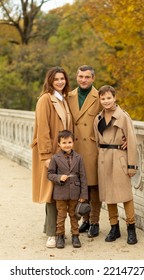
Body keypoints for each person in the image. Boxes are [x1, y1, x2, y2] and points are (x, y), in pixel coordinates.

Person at [67, 65, 127, 238]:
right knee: (80, 185)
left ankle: (94, 222)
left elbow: (115, 111)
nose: (83, 80)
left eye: (87, 77)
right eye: (80, 76)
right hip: (74, 147)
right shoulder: (69, 95)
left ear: (93, 78)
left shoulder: (98, 95)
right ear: (76, 77)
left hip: (92, 147)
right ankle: (85, 219)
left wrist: (125, 136)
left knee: (93, 187)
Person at [31, 66, 72, 248]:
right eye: (56, 79)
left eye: (62, 78)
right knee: (53, 193)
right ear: (50, 81)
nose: (60, 82)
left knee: (58, 191)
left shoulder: (63, 99)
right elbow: (43, 130)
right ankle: (52, 234)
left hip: (62, 153)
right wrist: (46, 156)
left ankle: (50, 228)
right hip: (50, 153)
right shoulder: (45, 100)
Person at [93, 85, 138, 245]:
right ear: (100, 100)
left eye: (109, 98)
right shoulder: (97, 118)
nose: (106, 101)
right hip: (104, 158)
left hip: (119, 157)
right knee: (108, 195)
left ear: (115, 98)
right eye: (103, 98)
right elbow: (97, 141)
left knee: (125, 195)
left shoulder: (123, 117)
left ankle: (131, 228)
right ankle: (114, 227)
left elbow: (131, 141)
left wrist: (132, 165)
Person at [47, 130, 88, 249]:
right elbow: (49, 174)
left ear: (73, 143)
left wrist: (83, 194)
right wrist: (59, 177)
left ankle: (75, 236)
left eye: (69, 142)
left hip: (75, 193)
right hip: (60, 192)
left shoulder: (78, 158)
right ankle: (60, 236)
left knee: (74, 215)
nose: (67, 145)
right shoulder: (55, 158)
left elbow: (83, 177)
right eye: (64, 142)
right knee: (61, 215)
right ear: (59, 144)